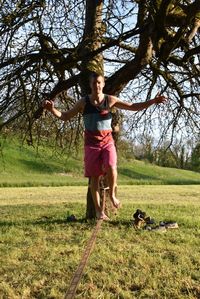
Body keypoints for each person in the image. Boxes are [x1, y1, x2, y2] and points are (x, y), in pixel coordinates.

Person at [42, 73, 167, 220]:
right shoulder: (83, 102)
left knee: (111, 167)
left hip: (107, 141)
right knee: (94, 178)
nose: (97, 85)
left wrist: (153, 101)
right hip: (91, 144)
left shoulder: (110, 100)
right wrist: (52, 110)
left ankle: (113, 195)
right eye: (94, 83)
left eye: (99, 82)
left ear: (103, 84)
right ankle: (99, 211)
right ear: (90, 85)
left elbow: (133, 107)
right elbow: (65, 116)